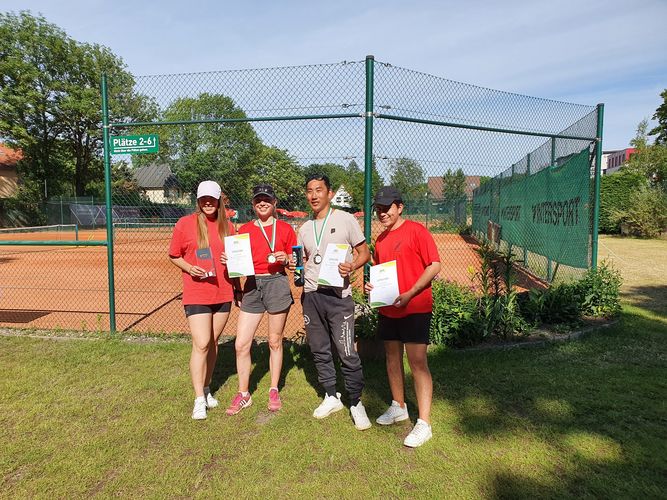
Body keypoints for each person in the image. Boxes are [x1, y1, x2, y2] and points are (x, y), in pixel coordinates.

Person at [291, 173, 372, 430]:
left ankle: (356, 401)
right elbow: (303, 261)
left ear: (329, 193)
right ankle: (330, 395)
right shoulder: (303, 229)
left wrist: (352, 266)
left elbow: (364, 252)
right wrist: (296, 266)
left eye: (318, 190)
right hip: (312, 296)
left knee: (347, 352)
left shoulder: (345, 219)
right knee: (319, 349)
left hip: (339, 297)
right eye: (309, 191)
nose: (313, 195)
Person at [364, 186, 441, 447]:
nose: (382, 213)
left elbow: (435, 265)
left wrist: (410, 293)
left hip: (415, 307)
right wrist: (371, 287)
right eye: (378, 209)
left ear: (399, 207)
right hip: (389, 308)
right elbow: (379, 270)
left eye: (387, 208)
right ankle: (399, 406)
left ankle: (424, 423)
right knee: (391, 357)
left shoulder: (417, 231)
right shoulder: (382, 240)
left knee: (418, 363)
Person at [222, 184, 296, 415]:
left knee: (275, 341)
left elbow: (296, 263)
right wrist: (229, 260)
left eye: (267, 199)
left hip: (277, 283)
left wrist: (287, 259)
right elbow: (237, 264)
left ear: (274, 203)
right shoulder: (243, 229)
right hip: (252, 285)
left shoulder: (285, 229)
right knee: (241, 343)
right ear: (253, 204)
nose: (262, 203)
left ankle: (274, 389)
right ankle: (244, 394)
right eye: (258, 200)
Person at [169, 180, 238, 420]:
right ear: (198, 201)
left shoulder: (229, 227)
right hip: (197, 292)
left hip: (223, 292)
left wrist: (233, 261)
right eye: (203, 198)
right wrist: (190, 268)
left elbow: (236, 260)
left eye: (212, 198)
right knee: (201, 343)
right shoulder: (184, 224)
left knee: (213, 342)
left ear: (219, 200)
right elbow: (174, 255)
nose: (208, 202)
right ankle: (199, 399)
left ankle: (207, 388)